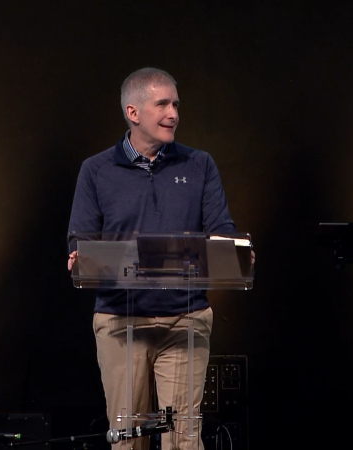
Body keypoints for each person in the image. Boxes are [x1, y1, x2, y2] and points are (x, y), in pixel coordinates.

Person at [67, 67, 250, 450]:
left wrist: (234, 252)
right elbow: (82, 240)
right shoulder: (96, 170)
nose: (173, 114)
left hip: (185, 319)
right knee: (128, 440)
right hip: (120, 322)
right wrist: (81, 258)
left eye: (176, 105)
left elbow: (221, 230)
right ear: (132, 113)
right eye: (162, 104)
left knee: (183, 439)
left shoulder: (199, 165)